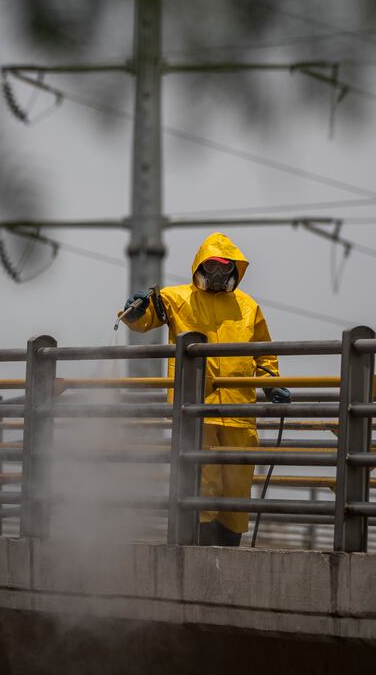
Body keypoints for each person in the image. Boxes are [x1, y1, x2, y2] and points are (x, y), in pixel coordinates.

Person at [120, 232, 291, 547]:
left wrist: (271, 382)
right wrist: (135, 308)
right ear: (199, 266)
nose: (215, 276)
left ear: (232, 272)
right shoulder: (177, 298)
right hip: (197, 411)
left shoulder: (247, 307)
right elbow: (143, 319)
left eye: (221, 269)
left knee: (237, 489)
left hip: (240, 413)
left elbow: (264, 352)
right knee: (202, 486)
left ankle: (228, 552)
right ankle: (199, 551)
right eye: (209, 267)